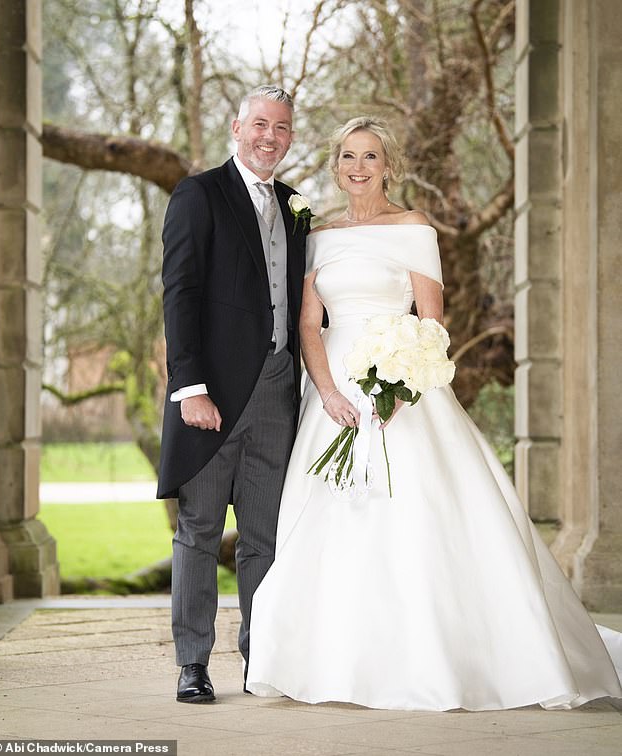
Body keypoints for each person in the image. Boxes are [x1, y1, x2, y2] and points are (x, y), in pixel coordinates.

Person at [245, 116, 622, 711]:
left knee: (417, 516)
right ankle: (331, 659)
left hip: (402, 392)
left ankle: (442, 657)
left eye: (370, 156)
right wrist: (329, 391)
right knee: (326, 523)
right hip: (333, 396)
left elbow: (430, 322)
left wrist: (398, 389)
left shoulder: (414, 228)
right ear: (336, 165)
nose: (359, 167)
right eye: (348, 156)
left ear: (388, 165)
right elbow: (307, 324)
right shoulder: (316, 232)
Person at [157, 85, 308, 703]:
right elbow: (180, 294)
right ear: (235, 127)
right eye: (259, 124)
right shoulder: (198, 194)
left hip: (277, 389)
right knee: (197, 529)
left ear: (290, 136)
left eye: (282, 127)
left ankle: (259, 656)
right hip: (211, 395)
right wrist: (189, 387)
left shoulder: (297, 206)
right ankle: (193, 663)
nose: (270, 136)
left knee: (264, 532)